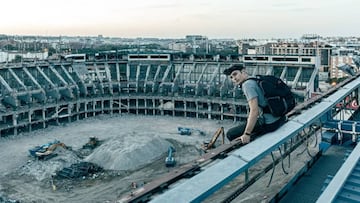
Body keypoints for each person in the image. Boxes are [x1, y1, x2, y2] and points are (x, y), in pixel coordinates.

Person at [223, 64, 286, 144]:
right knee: (248, 124)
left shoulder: (247, 85)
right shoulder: (255, 78)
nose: (234, 79)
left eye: (235, 74)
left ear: (243, 72)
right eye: (231, 77)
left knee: (230, 134)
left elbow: (254, 111)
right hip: (279, 118)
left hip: (270, 123)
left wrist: (247, 133)